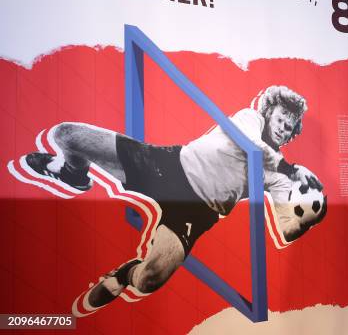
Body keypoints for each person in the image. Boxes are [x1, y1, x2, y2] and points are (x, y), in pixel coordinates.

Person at [8, 85, 326, 317]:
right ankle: (70, 172)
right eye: (282, 117)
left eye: (290, 125)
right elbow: (253, 149)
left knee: (148, 280)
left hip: (198, 210)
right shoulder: (249, 120)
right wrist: (291, 168)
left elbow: (285, 230)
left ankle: (123, 275)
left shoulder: (283, 175)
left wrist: (307, 216)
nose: (284, 126)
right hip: (168, 165)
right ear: (269, 111)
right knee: (67, 135)